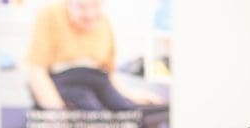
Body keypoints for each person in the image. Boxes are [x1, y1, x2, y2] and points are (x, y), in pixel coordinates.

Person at [23, 0, 162, 111]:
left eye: (96, 5)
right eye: (82, 7)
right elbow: (37, 70)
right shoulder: (49, 14)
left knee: (126, 110)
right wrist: (56, 114)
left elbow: (108, 70)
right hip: (65, 79)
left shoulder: (104, 20)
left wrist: (129, 95)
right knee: (90, 110)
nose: (90, 14)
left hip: (98, 79)